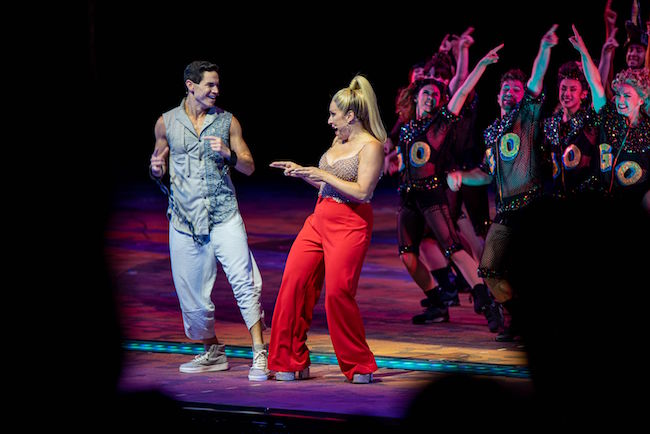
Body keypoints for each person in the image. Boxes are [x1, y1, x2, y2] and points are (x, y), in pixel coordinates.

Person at [149, 60, 269, 381]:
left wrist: (229, 152)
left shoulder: (227, 122)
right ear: (191, 85)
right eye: (209, 85)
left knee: (244, 281)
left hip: (223, 215)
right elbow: (158, 163)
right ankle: (212, 350)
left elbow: (248, 166)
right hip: (185, 220)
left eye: (217, 85)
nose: (216, 91)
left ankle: (260, 352)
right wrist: (156, 169)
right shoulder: (166, 123)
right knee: (190, 291)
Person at [267, 75, 385, 384]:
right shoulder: (338, 142)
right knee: (294, 283)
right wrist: (303, 173)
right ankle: (289, 359)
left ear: (350, 115)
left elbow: (361, 191)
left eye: (334, 114)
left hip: (351, 223)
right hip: (319, 218)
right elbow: (327, 185)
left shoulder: (372, 147)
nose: (329, 120)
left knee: (337, 294)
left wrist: (322, 173)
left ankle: (359, 364)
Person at [447, 25, 559, 341]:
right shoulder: (492, 132)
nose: (510, 93)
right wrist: (459, 177)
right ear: (498, 96)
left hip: (531, 206)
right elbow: (485, 173)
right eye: (505, 89)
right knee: (490, 269)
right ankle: (519, 317)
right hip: (505, 211)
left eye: (516, 90)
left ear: (525, 97)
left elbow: (537, 80)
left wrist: (545, 48)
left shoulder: (527, 116)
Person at [393, 43, 504, 330]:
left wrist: (480, 65)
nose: (431, 97)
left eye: (436, 94)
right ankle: (438, 300)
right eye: (426, 93)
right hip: (408, 199)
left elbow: (463, 91)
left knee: (453, 247)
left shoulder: (441, 124)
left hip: (433, 196)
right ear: (416, 96)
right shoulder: (406, 128)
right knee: (407, 255)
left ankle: (486, 301)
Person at [569, 25, 650, 214]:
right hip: (603, 201)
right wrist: (583, 51)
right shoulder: (609, 116)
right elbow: (595, 82)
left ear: (641, 99)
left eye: (627, 96)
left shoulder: (648, 128)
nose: (620, 101)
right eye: (618, 94)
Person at [543, 60, 599, 198]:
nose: (566, 93)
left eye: (573, 89)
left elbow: (598, 84)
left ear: (583, 94)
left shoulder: (589, 122)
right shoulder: (550, 124)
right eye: (563, 88)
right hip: (555, 197)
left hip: (584, 198)